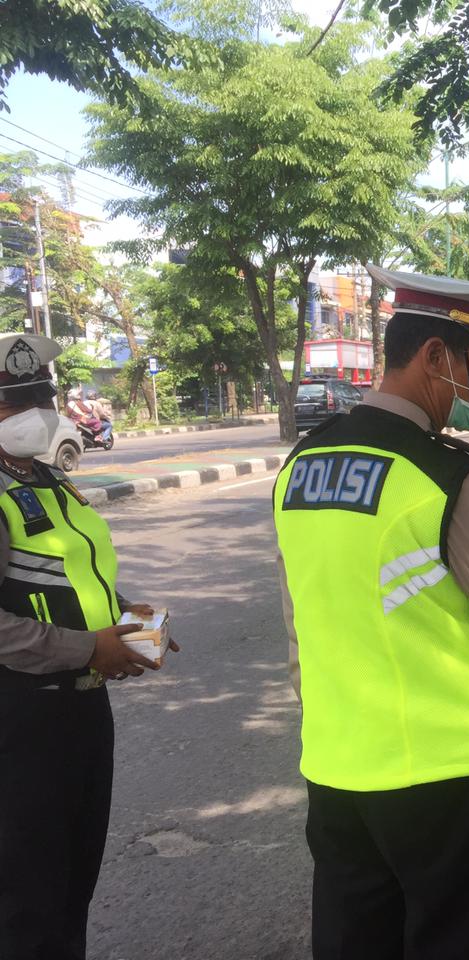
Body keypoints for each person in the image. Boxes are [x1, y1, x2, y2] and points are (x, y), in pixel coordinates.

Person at [274, 265, 469, 960]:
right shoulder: (441, 479)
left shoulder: (302, 465)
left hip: (338, 772)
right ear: (435, 358)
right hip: (447, 788)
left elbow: (301, 626)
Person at [0, 333, 171, 960]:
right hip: (20, 718)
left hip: (80, 710)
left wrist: (126, 616)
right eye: (12, 401)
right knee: (27, 898)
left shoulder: (45, 475)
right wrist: (85, 648)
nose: (33, 412)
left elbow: (72, 570)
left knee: (73, 882)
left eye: (38, 395)